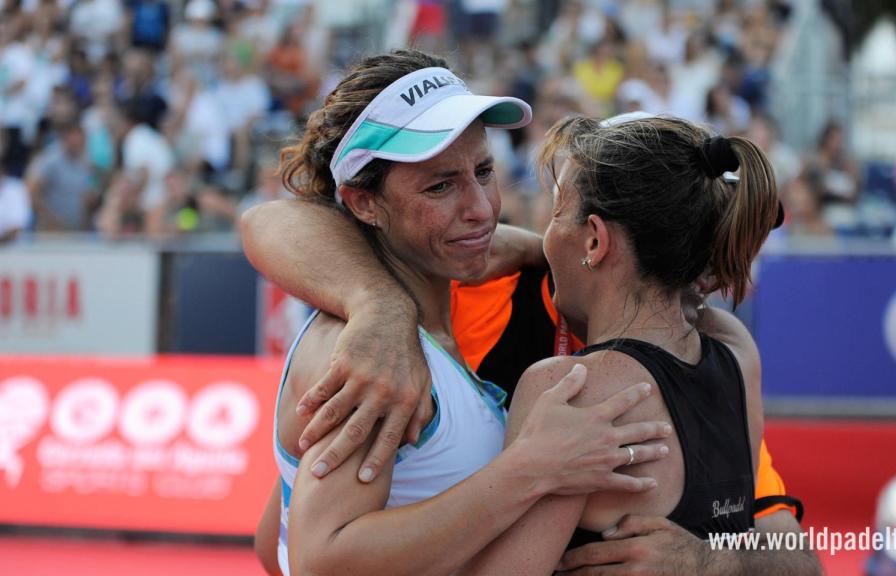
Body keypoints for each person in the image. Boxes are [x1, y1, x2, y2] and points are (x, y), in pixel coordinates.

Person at [243, 118, 820, 575]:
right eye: (444, 185)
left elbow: (287, 549)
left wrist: (707, 564)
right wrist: (379, 303)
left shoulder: (567, 385)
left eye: (556, 212)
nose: (485, 212)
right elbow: (271, 224)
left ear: (594, 237)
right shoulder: (734, 348)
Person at [254, 50, 671, 576]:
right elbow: (322, 559)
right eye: (440, 185)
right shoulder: (370, 354)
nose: (480, 207)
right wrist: (531, 468)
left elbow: (275, 545)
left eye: (484, 171)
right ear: (362, 203)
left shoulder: (405, 321)